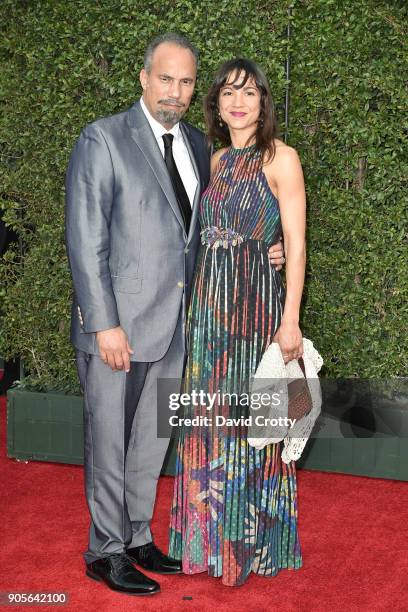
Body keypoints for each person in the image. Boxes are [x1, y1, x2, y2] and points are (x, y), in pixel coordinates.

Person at [65, 34, 285, 596]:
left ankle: (137, 536)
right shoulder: (104, 138)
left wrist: (267, 247)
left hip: (180, 327)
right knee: (109, 441)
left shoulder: (196, 145)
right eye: (166, 78)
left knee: (149, 441)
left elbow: (214, 228)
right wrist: (102, 322)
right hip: (117, 328)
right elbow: (85, 240)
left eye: (186, 82)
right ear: (144, 79)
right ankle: (105, 550)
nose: (176, 91)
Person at [169, 58, 306, 586]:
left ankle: (250, 545)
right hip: (208, 313)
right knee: (206, 424)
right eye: (228, 93)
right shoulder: (212, 160)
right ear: (217, 105)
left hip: (256, 312)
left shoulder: (281, 158)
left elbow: (294, 245)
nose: (238, 101)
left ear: (263, 102)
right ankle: (205, 543)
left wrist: (290, 318)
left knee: (260, 428)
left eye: (248, 92)